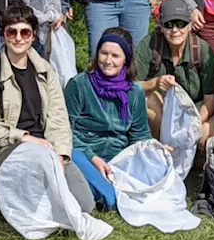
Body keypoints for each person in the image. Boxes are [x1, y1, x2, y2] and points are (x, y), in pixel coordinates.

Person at [0, 4, 96, 214]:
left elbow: (58, 118)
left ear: (33, 35)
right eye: (11, 32)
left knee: (85, 205)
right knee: (38, 209)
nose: (18, 38)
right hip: (3, 149)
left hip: (46, 148)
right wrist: (25, 138)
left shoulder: (46, 70)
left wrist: (61, 155)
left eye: (25, 32)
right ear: (3, 35)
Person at [64, 28, 153, 210]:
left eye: (115, 55)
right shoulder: (79, 84)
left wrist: (154, 150)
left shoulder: (134, 91)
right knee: (109, 198)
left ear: (126, 59)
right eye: (103, 53)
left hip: (118, 157)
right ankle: (102, 194)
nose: (108, 60)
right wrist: (93, 158)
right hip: (84, 153)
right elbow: (65, 130)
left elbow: (140, 134)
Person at [137, 0, 214, 141]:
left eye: (181, 24)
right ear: (160, 26)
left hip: (194, 106)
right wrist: (154, 83)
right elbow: (130, 85)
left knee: (203, 134)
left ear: (190, 25)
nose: (175, 30)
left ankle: (196, 157)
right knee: (149, 101)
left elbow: (210, 100)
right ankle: (161, 145)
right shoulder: (149, 45)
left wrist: (193, 124)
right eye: (168, 24)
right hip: (161, 107)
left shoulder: (202, 50)